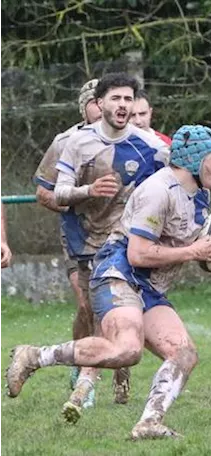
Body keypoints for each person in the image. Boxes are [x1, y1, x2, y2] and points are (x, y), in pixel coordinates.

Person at [7, 125, 211, 440]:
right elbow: (138, 253)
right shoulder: (158, 191)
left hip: (149, 287)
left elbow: (184, 247)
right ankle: (34, 356)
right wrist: (193, 250)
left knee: (184, 354)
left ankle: (149, 422)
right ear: (196, 161)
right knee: (127, 350)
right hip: (119, 273)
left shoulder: (200, 196)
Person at [52, 73, 171, 411]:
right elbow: (58, 192)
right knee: (91, 311)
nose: (123, 105)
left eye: (128, 99)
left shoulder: (151, 145)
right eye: (116, 99)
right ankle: (94, 370)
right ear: (99, 104)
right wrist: (89, 190)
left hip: (124, 244)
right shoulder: (75, 142)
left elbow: (177, 179)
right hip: (85, 238)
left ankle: (94, 382)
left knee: (120, 313)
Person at [32, 79, 104, 404]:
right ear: (84, 106)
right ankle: (81, 367)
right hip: (77, 234)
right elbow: (43, 193)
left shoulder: (128, 141)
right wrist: (75, 198)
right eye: (95, 102)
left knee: (112, 310)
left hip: (115, 235)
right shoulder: (65, 142)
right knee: (87, 306)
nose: (102, 108)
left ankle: (116, 374)